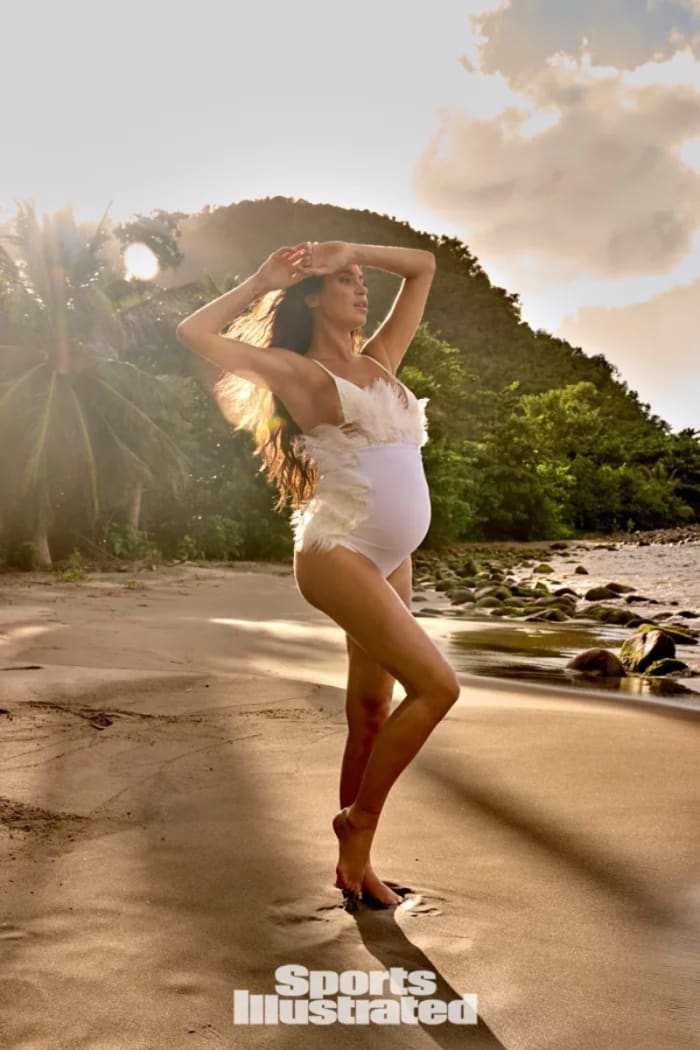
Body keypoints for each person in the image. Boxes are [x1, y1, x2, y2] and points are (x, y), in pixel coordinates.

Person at [177, 240, 461, 911]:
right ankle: (356, 824)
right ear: (311, 297)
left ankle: (354, 870)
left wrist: (351, 248)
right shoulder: (298, 372)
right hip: (340, 550)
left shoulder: (382, 361)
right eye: (345, 280)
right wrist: (262, 276)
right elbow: (192, 333)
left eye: (361, 279)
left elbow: (422, 265)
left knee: (371, 712)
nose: (361, 289)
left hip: (391, 559)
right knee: (438, 688)